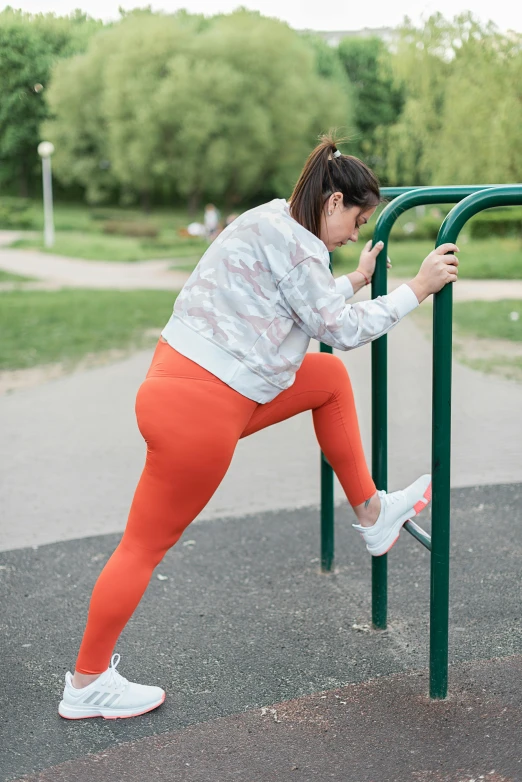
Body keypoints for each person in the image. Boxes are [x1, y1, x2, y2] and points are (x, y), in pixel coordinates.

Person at [58, 133, 459, 721]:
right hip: (203, 412)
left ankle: (371, 514)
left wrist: (350, 278)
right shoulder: (302, 250)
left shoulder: (270, 219)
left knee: (325, 380)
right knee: (142, 547)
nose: (355, 232)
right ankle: (88, 682)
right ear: (332, 204)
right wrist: (416, 290)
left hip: (182, 385)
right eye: (357, 218)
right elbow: (341, 328)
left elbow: (294, 302)